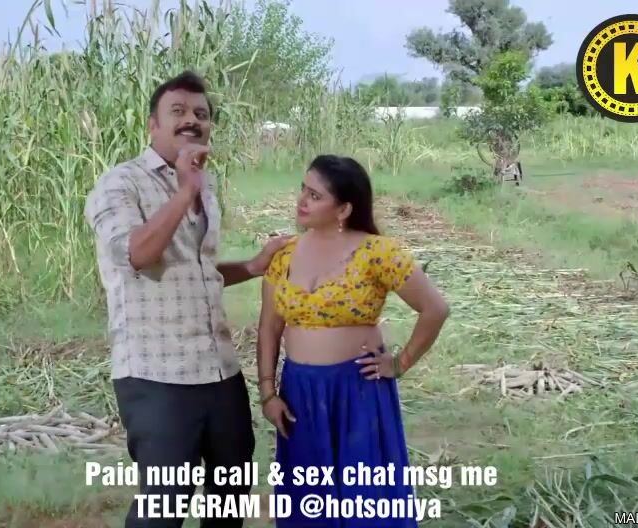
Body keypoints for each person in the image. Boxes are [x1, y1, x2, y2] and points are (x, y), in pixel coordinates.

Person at [84, 70, 291, 528]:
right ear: (152, 125)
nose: (191, 121)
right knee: (163, 509)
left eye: (201, 113)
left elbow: (197, 271)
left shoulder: (202, 185)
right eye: (177, 111)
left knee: (229, 500)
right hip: (156, 374)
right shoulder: (120, 183)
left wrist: (253, 266)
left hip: (219, 370)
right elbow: (137, 255)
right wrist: (184, 193)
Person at [256, 155, 450, 527]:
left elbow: (435, 309)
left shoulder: (378, 252)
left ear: (344, 209)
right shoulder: (283, 254)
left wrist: (400, 363)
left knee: (364, 498)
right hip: (299, 392)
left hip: (356, 390)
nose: (301, 200)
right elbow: (269, 327)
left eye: (315, 195)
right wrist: (267, 392)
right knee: (309, 500)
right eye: (303, 189)